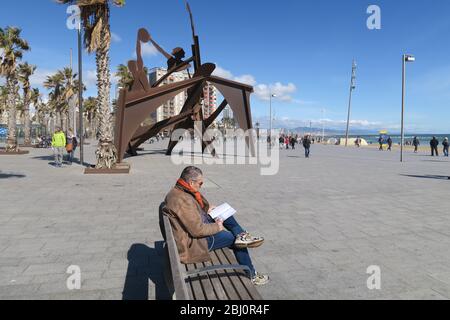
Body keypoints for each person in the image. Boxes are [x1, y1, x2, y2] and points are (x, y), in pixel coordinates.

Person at [162, 167, 269, 286]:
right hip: (194, 244)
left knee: (224, 214)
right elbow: (197, 230)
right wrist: (217, 227)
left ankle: (242, 235)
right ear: (191, 182)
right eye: (200, 183)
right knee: (235, 241)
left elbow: (191, 215)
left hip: (193, 232)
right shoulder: (183, 199)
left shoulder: (180, 190)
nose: (201, 186)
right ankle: (252, 275)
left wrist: (207, 209)